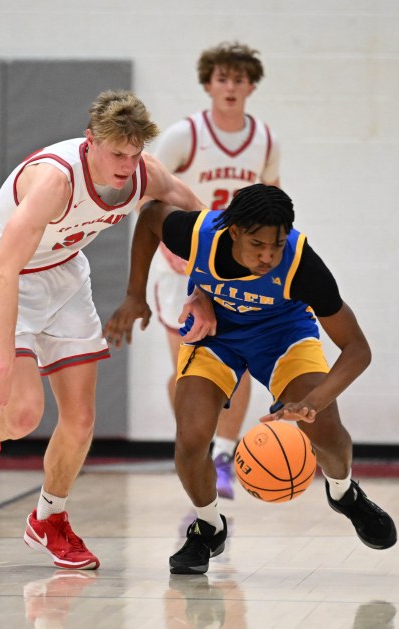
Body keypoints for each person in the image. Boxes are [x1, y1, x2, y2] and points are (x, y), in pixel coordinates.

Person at [0, 90, 205, 571]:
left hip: (65, 275)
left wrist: (201, 276)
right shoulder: (55, 180)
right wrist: (5, 365)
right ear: (91, 142)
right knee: (24, 413)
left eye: (134, 155)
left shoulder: (144, 173)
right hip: (3, 278)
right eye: (117, 153)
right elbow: (5, 271)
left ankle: (49, 518)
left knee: (81, 419)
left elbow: (202, 220)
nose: (126, 165)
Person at [105, 184, 397, 574]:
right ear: (234, 231)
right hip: (217, 334)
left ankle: (343, 493)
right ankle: (208, 528)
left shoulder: (301, 264)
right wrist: (133, 294)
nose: (267, 256)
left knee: (325, 429)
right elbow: (150, 218)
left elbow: (358, 348)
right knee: (191, 438)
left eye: (276, 245)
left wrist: (314, 401)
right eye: (258, 244)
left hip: (283, 334)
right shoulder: (199, 234)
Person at [150, 42, 281, 500]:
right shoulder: (183, 136)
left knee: (238, 369)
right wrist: (172, 251)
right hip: (180, 267)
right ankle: (197, 443)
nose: (231, 87)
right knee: (191, 370)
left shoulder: (264, 140)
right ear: (208, 84)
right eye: (222, 78)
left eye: (239, 79)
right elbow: (149, 196)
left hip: (235, 271)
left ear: (251, 86)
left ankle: (223, 454)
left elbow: (273, 204)